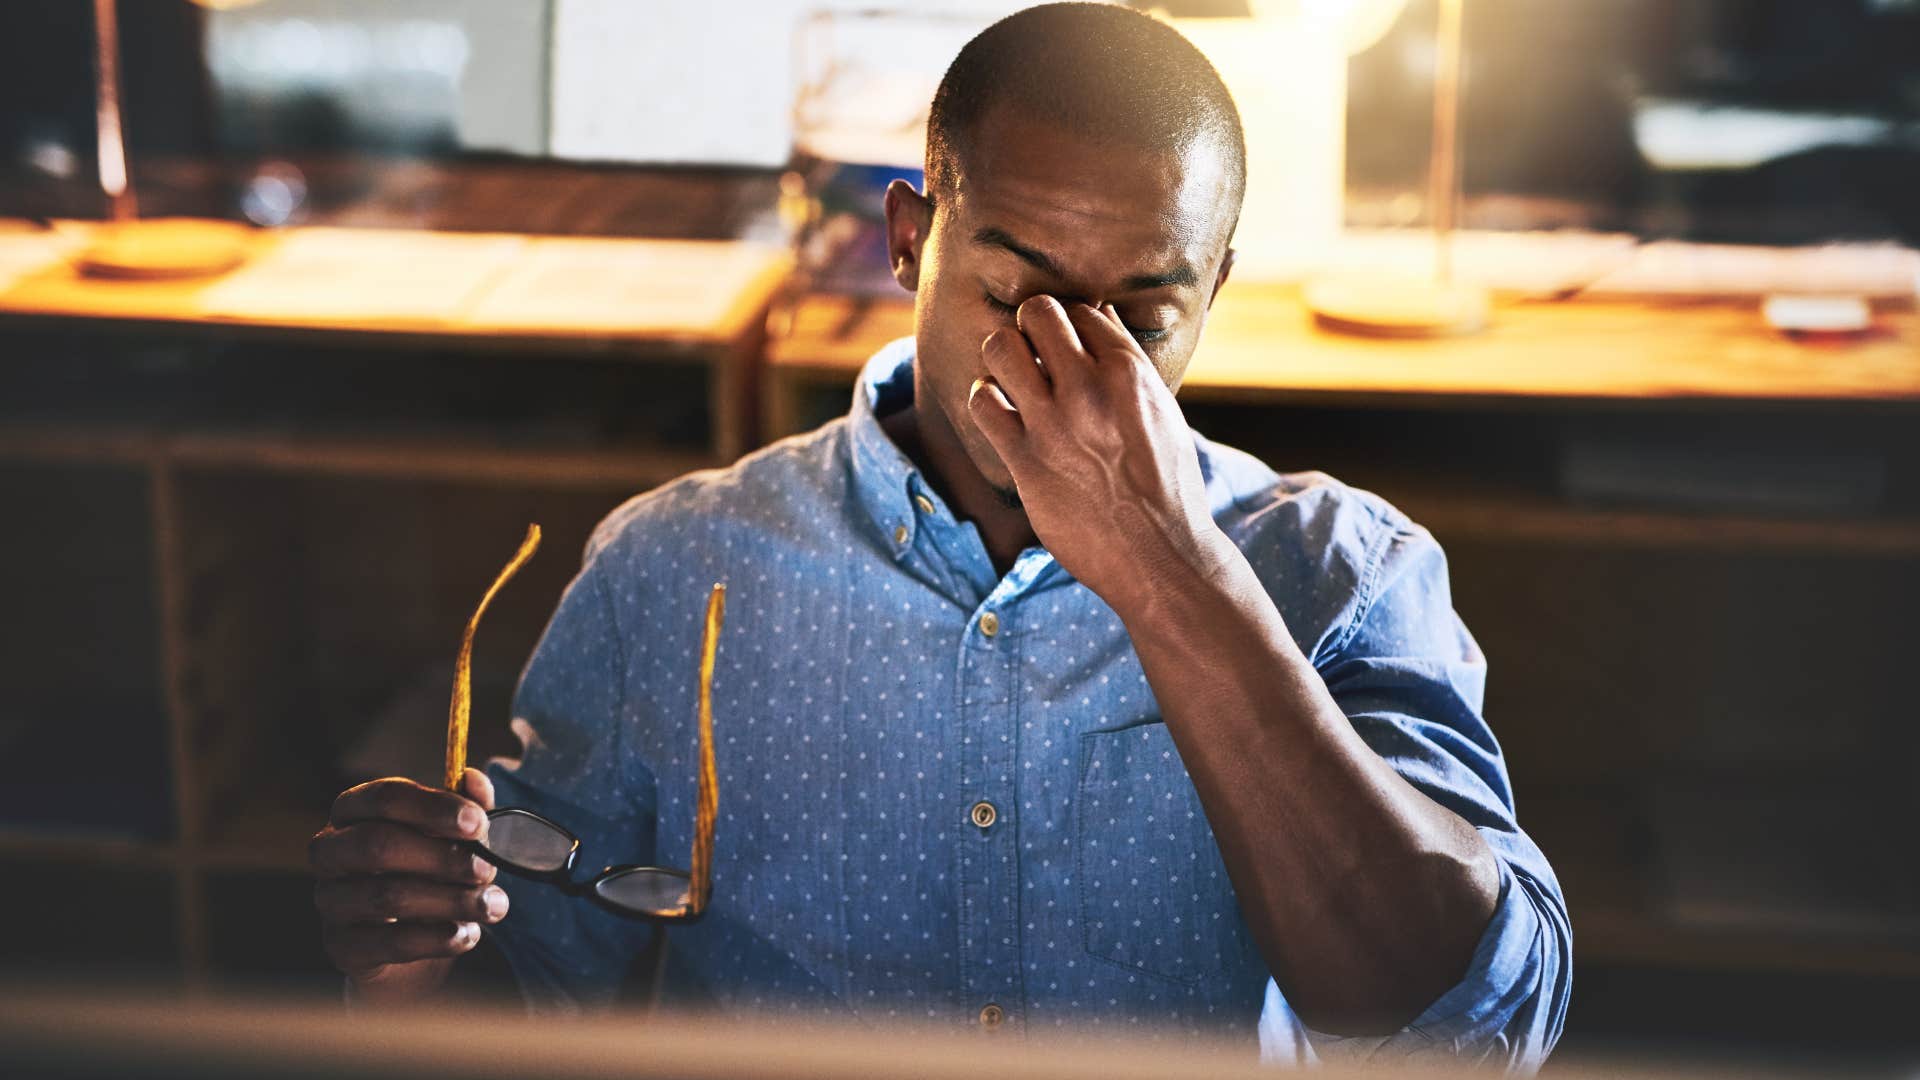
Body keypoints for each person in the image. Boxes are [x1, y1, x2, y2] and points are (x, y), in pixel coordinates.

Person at [307, 3, 1570, 1069]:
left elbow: (1476, 1023)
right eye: (1016, 292)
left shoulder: (1347, 572)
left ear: (1216, 294)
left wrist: (1166, 572)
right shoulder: (674, 569)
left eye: (1144, 313)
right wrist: (420, 950)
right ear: (911, 242)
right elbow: (533, 995)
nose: (1066, 363)